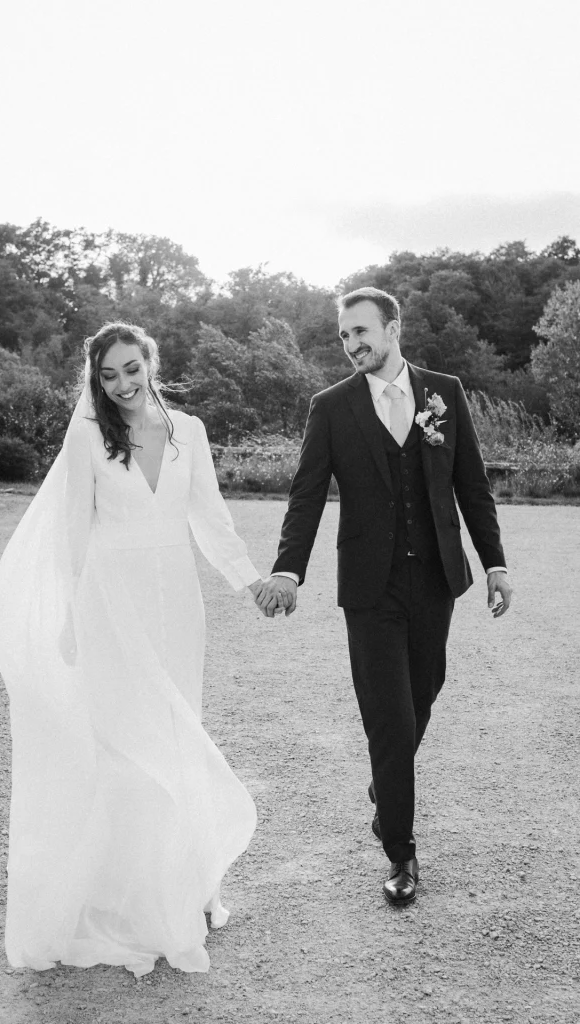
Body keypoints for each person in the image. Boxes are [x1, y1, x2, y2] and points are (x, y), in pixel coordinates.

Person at [0, 322, 264, 976]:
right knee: (119, 741)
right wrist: (69, 617)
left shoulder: (188, 431)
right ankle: (122, 895)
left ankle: (178, 885)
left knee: (175, 731)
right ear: (96, 379)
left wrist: (249, 579)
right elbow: (72, 531)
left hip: (177, 604)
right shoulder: (86, 437)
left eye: (130, 369)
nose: (122, 384)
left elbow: (209, 516)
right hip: (111, 601)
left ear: (150, 362)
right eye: (108, 375)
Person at [255, 287, 512, 905]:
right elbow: (307, 494)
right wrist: (289, 570)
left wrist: (495, 562)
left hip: (435, 580)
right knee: (390, 721)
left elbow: (472, 485)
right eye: (345, 336)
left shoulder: (443, 394)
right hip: (369, 588)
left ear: (393, 328)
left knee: (425, 690)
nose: (352, 345)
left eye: (361, 332)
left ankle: (384, 782)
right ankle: (401, 850)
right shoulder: (332, 407)